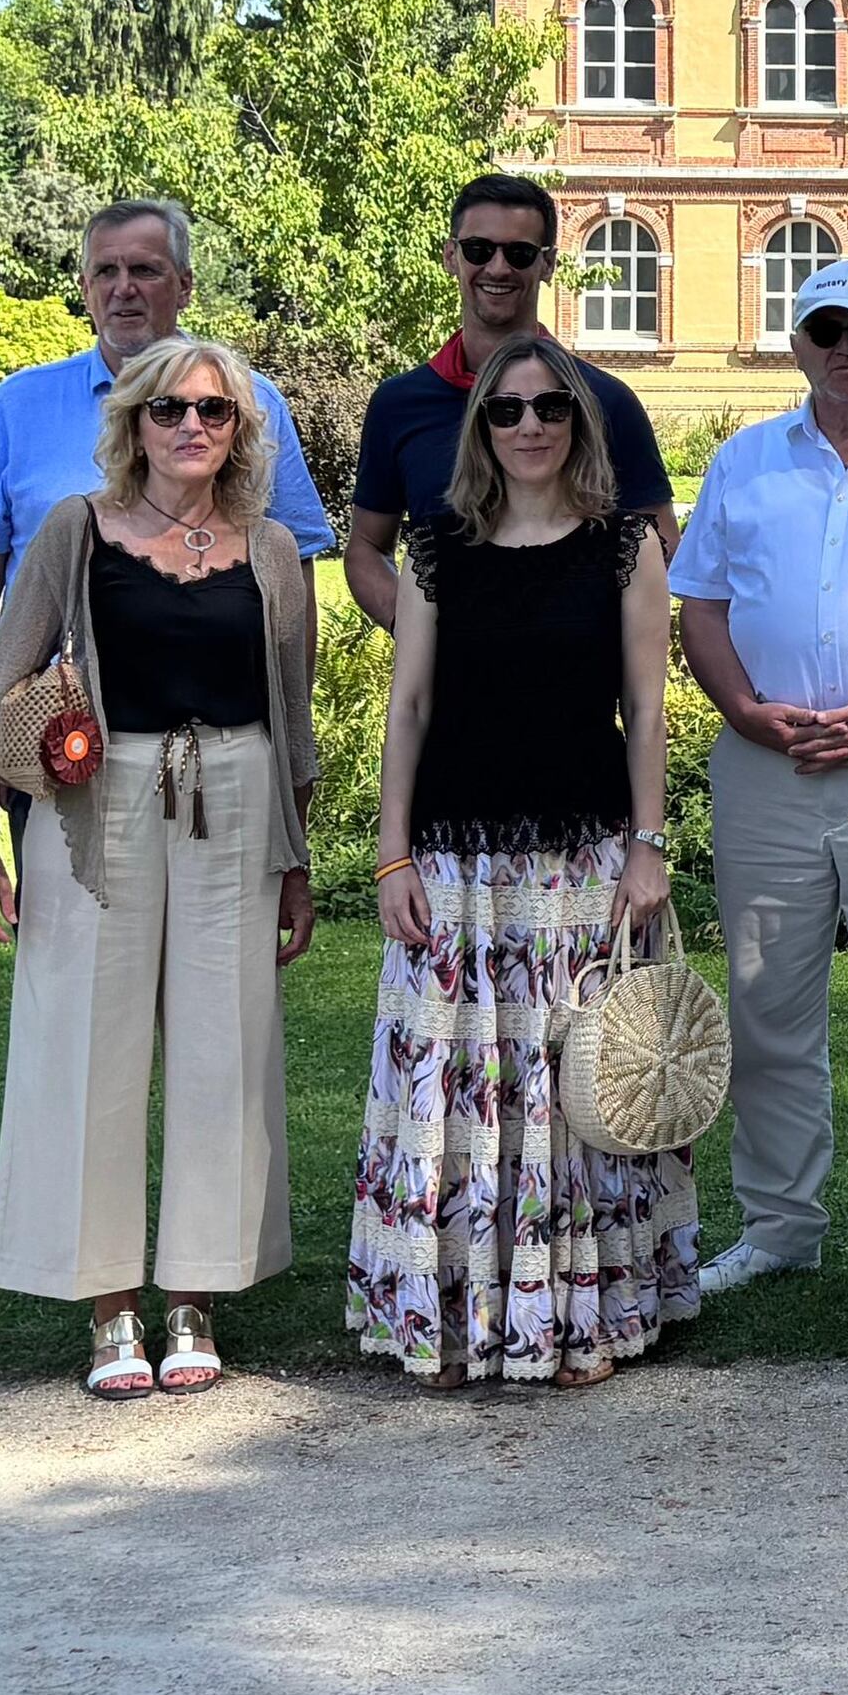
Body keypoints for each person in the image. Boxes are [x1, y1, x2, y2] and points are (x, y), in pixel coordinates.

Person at [0, 337, 322, 1396]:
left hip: (241, 797)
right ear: (132, 425)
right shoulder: (77, 530)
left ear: (242, 431)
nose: (191, 427)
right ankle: (109, 1304)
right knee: (85, 1041)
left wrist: (298, 862)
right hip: (93, 801)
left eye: (214, 411)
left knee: (224, 1047)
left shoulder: (271, 551)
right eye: (169, 411)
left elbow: (291, 718)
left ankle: (196, 1295)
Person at [349, 325, 690, 1387]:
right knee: (452, 1100)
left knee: (570, 1095)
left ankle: (576, 1316)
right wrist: (392, 853)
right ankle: (450, 1318)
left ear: (578, 422)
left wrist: (647, 845)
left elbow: (645, 706)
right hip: (457, 860)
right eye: (507, 409)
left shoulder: (627, 545)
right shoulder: (438, 549)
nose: (530, 425)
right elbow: (408, 705)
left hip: (578, 860)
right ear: (480, 426)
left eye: (549, 408)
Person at [671, 258, 848, 1294]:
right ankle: (782, 1226)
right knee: (765, 1011)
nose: (844, 349)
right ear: (794, 343)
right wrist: (743, 708)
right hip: (766, 766)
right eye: (823, 330)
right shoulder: (746, 462)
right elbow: (699, 604)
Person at [0, 202, 332, 771]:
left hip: (220, 743)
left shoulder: (250, 405)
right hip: (55, 740)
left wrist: (290, 737)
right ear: (85, 286)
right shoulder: (21, 404)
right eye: (105, 272)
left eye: (145, 271)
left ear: (185, 285)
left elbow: (291, 578)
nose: (123, 289)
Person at [345, 172, 677, 634]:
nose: (498, 268)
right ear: (450, 256)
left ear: (548, 265)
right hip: (449, 697)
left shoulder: (605, 402)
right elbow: (365, 545)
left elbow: (659, 544)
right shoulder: (399, 405)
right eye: (479, 249)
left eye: (519, 254)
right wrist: (420, 630)